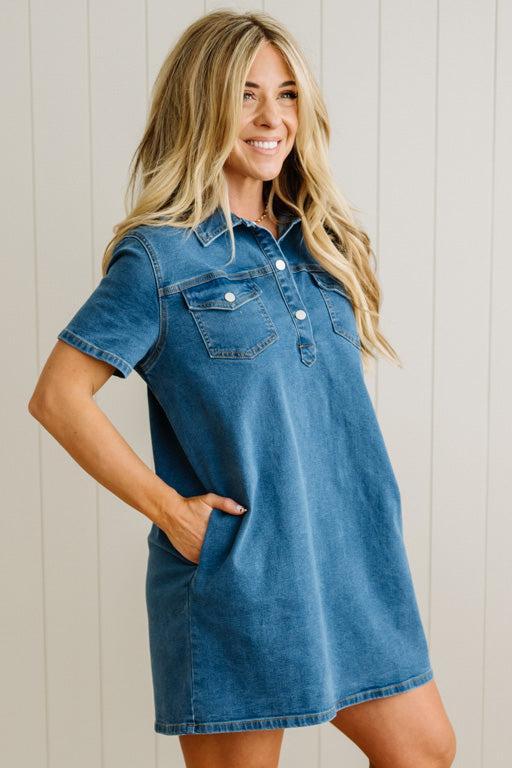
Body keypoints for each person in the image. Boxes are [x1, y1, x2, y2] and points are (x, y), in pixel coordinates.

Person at [28, 9, 456, 768]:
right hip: (243, 574)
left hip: (352, 564)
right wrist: (172, 512)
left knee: (424, 750)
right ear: (201, 106)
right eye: (246, 95)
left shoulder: (320, 242)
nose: (272, 118)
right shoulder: (160, 258)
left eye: (287, 95)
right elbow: (58, 396)